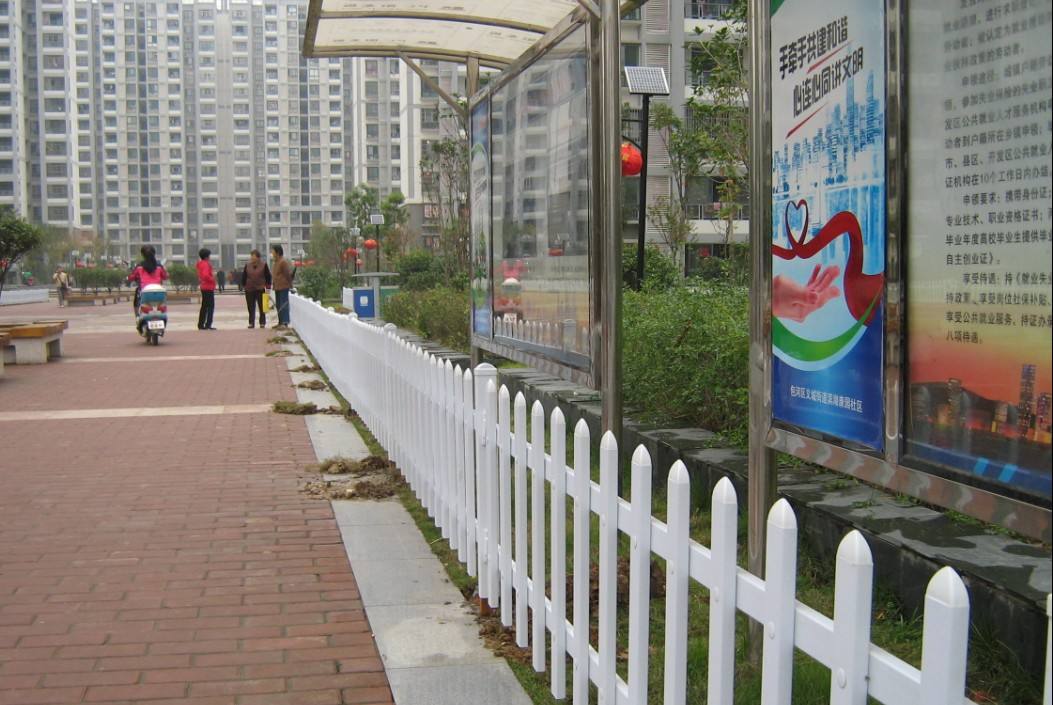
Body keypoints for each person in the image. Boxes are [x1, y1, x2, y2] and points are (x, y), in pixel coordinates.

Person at [127, 245, 168, 312]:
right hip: (158, 291)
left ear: (142, 254)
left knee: (137, 300)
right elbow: (165, 277)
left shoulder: (139, 266)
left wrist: (128, 277)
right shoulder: (159, 266)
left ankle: (137, 315)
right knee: (163, 302)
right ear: (154, 253)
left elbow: (132, 277)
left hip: (144, 292)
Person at [241, 250, 271, 329]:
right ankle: (251, 323)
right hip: (249, 288)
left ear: (258, 257)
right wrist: (243, 285)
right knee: (250, 306)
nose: (252, 258)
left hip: (260, 288)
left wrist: (268, 288)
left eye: (253, 256)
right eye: (251, 256)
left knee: (262, 307)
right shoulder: (247, 265)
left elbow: (268, 277)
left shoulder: (264, 265)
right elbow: (244, 276)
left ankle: (262, 322)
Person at [270, 244, 293, 329]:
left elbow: (287, 274)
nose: (272, 253)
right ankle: (280, 322)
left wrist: (290, 284)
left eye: (273, 251)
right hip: (277, 287)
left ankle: (285, 322)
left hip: (283, 286)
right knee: (279, 305)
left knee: (284, 304)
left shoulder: (283, 262)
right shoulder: (275, 262)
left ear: (278, 252)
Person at [196, 248, 217, 330]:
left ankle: (201, 324)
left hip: (204, 286)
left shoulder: (200, 264)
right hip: (208, 287)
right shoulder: (206, 264)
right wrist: (212, 279)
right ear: (206, 256)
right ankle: (208, 324)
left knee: (204, 306)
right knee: (210, 306)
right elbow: (205, 275)